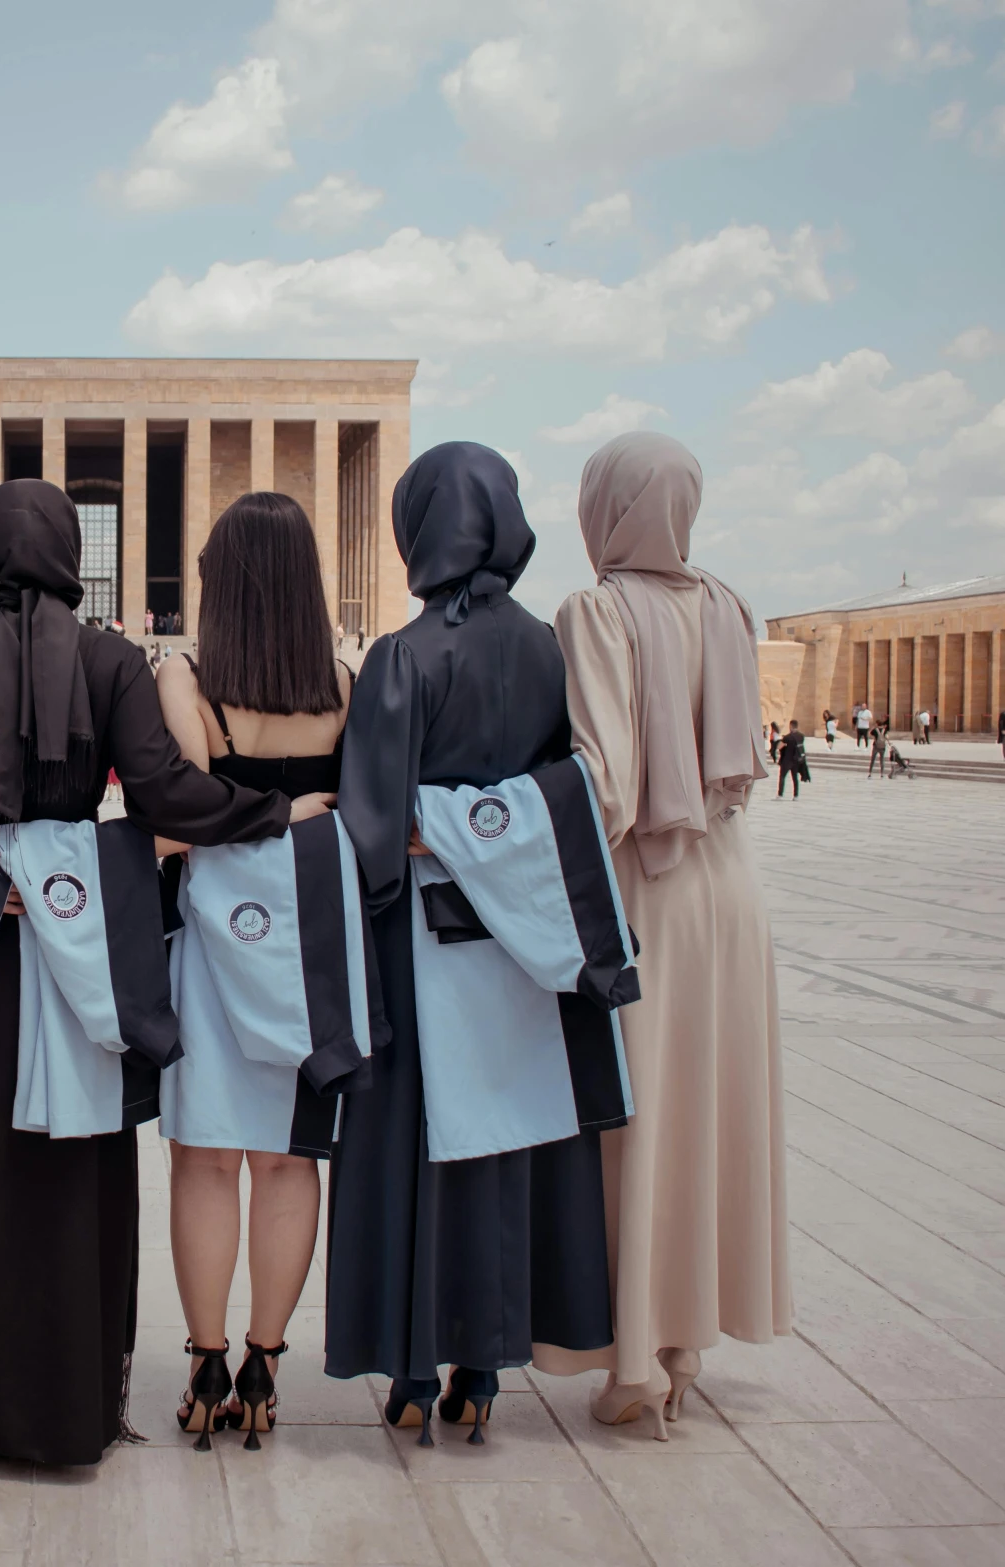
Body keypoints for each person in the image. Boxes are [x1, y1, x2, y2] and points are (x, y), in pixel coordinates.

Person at [0, 478, 309, 1466]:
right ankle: (63, 1406)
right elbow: (161, 798)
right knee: (68, 1178)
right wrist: (271, 813)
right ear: (68, 549)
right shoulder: (112, 662)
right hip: (77, 964)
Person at [331, 442, 614, 1443]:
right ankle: (483, 1368)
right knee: (504, 1136)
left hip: (421, 935)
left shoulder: (402, 656)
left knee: (421, 1138)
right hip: (521, 936)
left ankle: (411, 1360)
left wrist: (423, 831)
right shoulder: (545, 645)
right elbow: (567, 779)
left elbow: (369, 827)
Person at [539, 432, 788, 1433]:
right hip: (731, 888)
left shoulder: (593, 612)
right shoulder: (728, 605)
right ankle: (684, 1342)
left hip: (646, 887)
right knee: (708, 1110)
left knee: (636, 1121)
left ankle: (634, 1364)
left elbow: (603, 785)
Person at [153, 492, 349, 1449]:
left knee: (203, 1156)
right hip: (306, 956)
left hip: (215, 952)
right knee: (286, 1157)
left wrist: (252, 812)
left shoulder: (185, 681)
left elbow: (185, 813)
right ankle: (268, 1361)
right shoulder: (344, 685)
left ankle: (204, 1357)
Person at [777, 721, 809, 796]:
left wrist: (784, 744)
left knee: (782, 777)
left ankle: (780, 794)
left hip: (787, 760)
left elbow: (779, 747)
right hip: (796, 760)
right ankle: (796, 795)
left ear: (791, 726)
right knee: (795, 778)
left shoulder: (787, 737)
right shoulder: (801, 736)